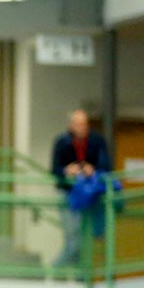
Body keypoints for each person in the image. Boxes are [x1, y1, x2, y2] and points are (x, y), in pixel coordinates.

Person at [50, 108, 112, 267]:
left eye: (85, 124)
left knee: (86, 238)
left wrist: (93, 170)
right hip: (69, 194)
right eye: (78, 124)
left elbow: (106, 166)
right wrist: (67, 170)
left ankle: (78, 276)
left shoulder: (97, 141)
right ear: (71, 126)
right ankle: (55, 272)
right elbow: (55, 169)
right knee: (73, 238)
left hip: (90, 195)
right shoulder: (62, 142)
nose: (82, 128)